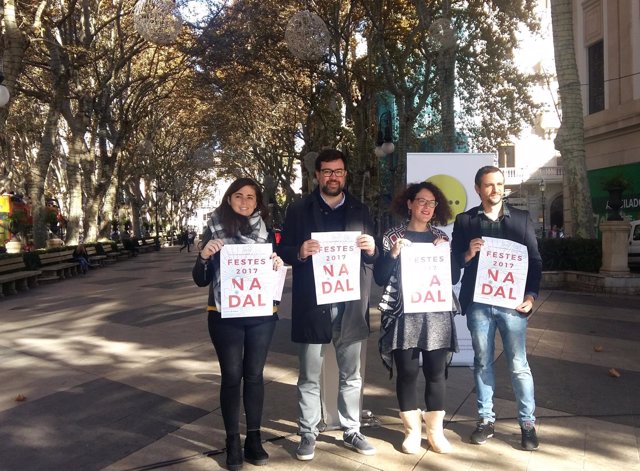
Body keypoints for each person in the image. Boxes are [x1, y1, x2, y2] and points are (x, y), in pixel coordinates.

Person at [277, 149, 379, 460]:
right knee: (309, 374)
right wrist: (299, 251)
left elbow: (377, 258)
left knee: (352, 374)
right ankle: (308, 431)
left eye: (338, 171)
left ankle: (351, 429)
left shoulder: (362, 210)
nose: (332, 176)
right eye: (326, 171)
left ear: (345, 175)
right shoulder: (298, 210)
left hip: (350, 304)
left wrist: (373, 248)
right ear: (317, 175)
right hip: (313, 304)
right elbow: (282, 252)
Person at [192, 177, 283, 471]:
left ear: (258, 203)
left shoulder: (266, 232)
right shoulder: (215, 228)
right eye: (239, 196)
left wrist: (277, 266)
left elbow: (271, 269)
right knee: (232, 376)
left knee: (254, 375)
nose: (244, 202)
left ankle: (253, 439)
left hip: (260, 314)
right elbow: (200, 279)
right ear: (229, 199)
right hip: (223, 314)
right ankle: (232, 441)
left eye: (251, 197)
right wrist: (204, 256)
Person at [450, 166, 543, 451]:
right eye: (489, 185)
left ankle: (527, 424)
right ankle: (485, 420)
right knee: (482, 362)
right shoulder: (465, 221)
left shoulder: (522, 219)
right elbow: (453, 266)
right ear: (478, 189)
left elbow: (535, 261)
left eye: (499, 185)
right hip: (479, 304)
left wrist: (531, 295)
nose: (495, 190)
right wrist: (467, 254)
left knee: (518, 365)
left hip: (512, 305)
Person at [374, 182, 460, 454]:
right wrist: (394, 253)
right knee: (408, 373)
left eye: (432, 203)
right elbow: (379, 277)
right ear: (409, 204)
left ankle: (435, 432)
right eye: (421, 201)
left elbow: (454, 276)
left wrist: (447, 254)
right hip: (404, 314)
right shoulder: (392, 236)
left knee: (436, 373)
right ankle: (411, 431)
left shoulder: (441, 238)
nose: (426, 207)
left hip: (436, 313)